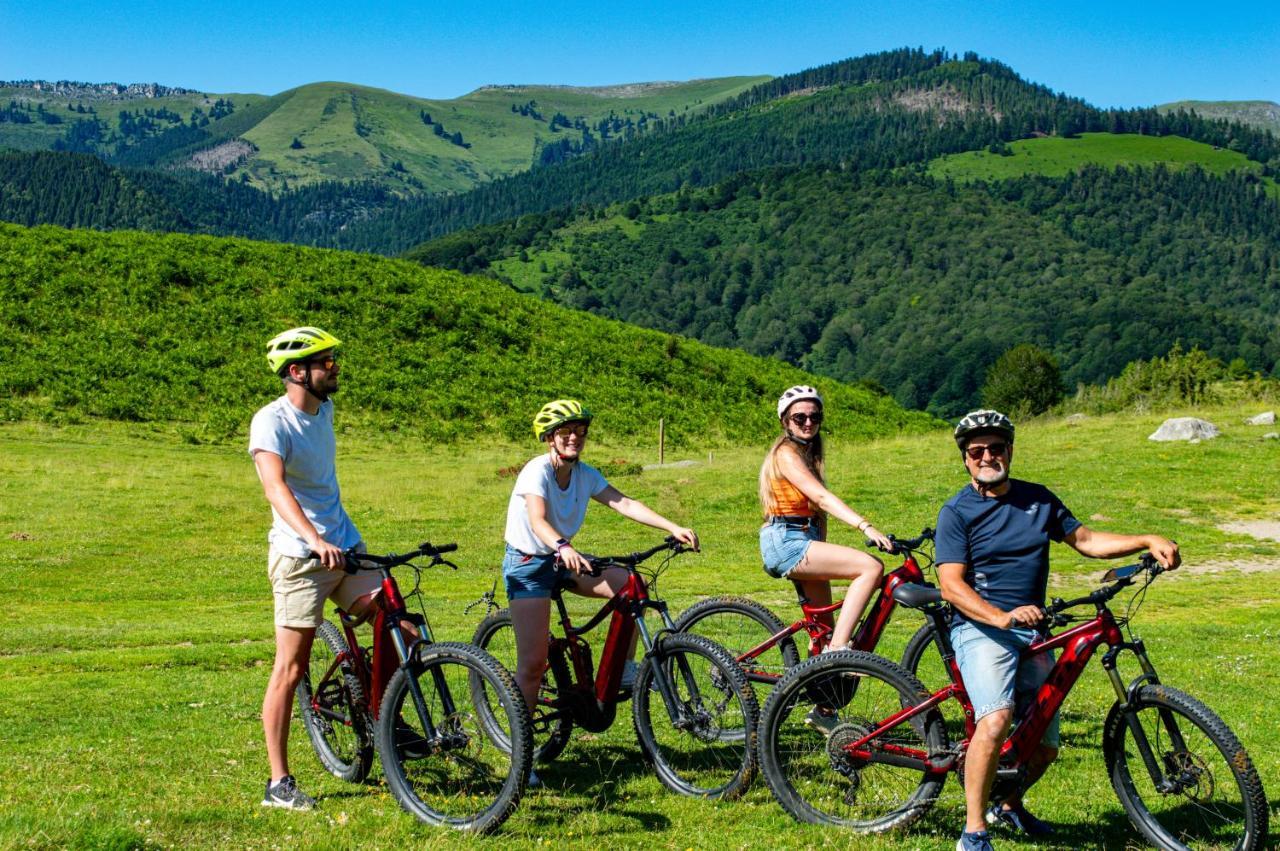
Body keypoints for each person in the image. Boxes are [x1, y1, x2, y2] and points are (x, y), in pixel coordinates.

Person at [937, 409, 1180, 851]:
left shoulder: (1039, 500)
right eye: (977, 451)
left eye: (996, 448)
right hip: (981, 628)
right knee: (996, 721)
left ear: (1009, 451)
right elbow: (951, 585)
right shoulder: (958, 511)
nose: (988, 456)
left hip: (1034, 631)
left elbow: (1086, 541)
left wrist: (1147, 539)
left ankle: (1008, 806)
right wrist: (1000, 617)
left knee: (1044, 745)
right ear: (966, 459)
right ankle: (973, 831)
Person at [503, 399, 699, 782]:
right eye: (565, 432)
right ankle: (520, 757)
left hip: (562, 558)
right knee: (532, 664)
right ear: (549, 439)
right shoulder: (535, 472)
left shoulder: (584, 474)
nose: (574, 437)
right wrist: (562, 546)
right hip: (529, 565)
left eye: (579, 431)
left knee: (630, 585)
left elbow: (623, 502)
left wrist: (670, 526)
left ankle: (623, 669)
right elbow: (537, 519)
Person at [249, 327, 384, 811]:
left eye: (331, 360)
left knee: (398, 623)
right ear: (296, 372)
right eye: (325, 362)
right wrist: (313, 539)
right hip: (300, 558)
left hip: (344, 545)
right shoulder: (270, 422)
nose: (334, 368)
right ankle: (278, 783)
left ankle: (387, 715)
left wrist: (333, 539)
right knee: (291, 667)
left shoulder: (323, 409)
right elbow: (275, 488)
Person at [758, 385, 891, 656]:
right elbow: (821, 498)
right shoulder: (785, 454)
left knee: (822, 634)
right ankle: (839, 649)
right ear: (785, 421)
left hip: (803, 537)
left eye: (814, 417)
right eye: (800, 418)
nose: (808, 422)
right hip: (786, 540)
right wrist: (865, 525)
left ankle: (818, 689)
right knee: (871, 567)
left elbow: (817, 512)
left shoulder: (807, 454)